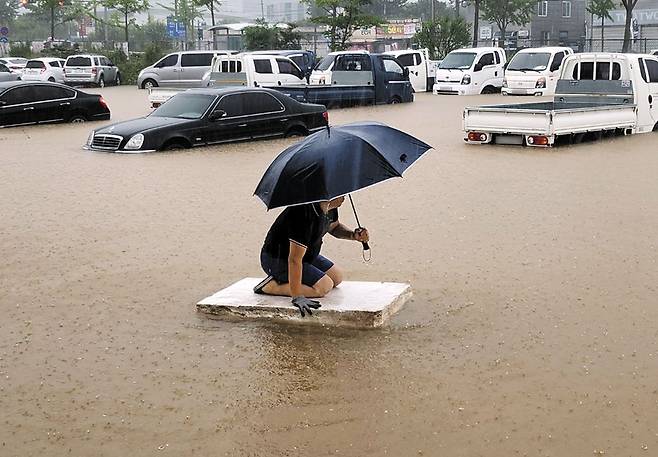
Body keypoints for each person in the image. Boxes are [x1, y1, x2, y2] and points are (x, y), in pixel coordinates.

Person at [254, 196, 370, 317]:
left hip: (306, 256)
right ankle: (271, 287)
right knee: (323, 287)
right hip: (278, 259)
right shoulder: (303, 214)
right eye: (341, 194)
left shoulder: (330, 207)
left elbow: (334, 227)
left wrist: (352, 235)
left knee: (337, 277)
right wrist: (297, 296)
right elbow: (294, 259)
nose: (344, 197)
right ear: (328, 195)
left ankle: (292, 279)